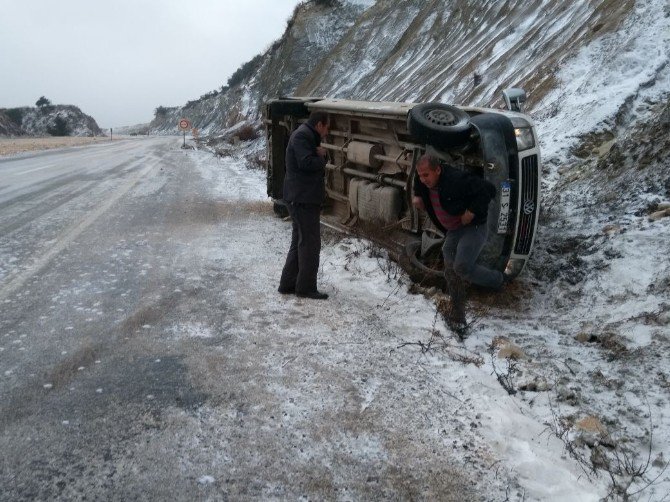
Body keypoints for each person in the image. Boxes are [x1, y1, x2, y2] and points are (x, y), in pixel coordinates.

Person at [412, 154, 504, 325]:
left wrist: (471, 211)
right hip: (454, 230)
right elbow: (418, 181)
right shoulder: (424, 181)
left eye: (427, 175)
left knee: (461, 266)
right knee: (450, 265)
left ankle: (497, 280)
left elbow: (489, 189)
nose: (423, 179)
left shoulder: (456, 180)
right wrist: (417, 195)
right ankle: (458, 313)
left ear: (438, 170)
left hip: (473, 228)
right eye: (420, 175)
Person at [278, 111, 330, 300]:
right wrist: (322, 157)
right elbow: (306, 163)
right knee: (309, 243)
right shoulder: (303, 136)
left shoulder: (305, 135)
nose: (327, 131)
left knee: (299, 241)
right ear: (319, 125)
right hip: (303, 198)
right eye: (327, 127)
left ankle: (288, 283)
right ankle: (306, 287)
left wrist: (319, 154)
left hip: (300, 197)